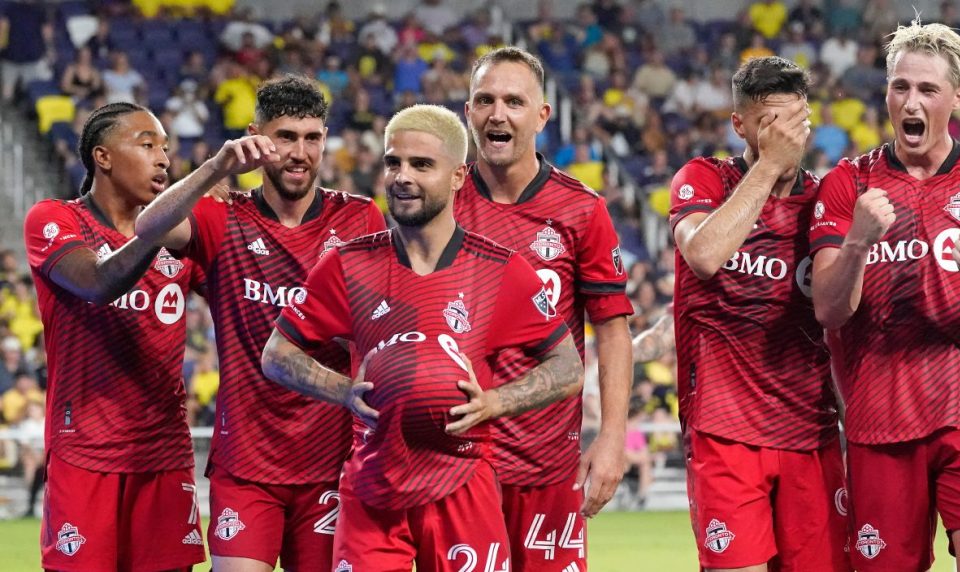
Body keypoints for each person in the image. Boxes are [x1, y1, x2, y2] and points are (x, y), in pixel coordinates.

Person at [260, 103, 584, 571]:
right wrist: (342, 390)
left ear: (457, 176)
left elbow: (568, 366)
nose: (402, 176)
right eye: (394, 163)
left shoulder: (501, 268)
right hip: (373, 487)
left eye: (421, 165)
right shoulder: (346, 265)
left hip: (463, 484)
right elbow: (276, 354)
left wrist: (496, 402)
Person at [135, 75, 385, 572]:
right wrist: (215, 167)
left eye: (312, 137)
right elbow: (147, 227)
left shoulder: (358, 219)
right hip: (246, 464)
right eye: (286, 137)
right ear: (256, 137)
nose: (300, 152)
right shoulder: (223, 214)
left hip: (330, 465)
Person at [811, 21, 960, 571]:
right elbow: (828, 310)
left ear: (956, 96)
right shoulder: (847, 185)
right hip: (880, 422)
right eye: (900, 87)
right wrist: (859, 241)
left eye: (927, 90)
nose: (911, 101)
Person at [455, 46, 634, 571]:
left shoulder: (581, 209)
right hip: (458, 464)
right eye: (484, 100)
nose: (497, 114)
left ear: (542, 115)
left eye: (514, 101)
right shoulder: (442, 200)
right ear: (468, 113)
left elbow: (613, 330)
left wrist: (613, 437)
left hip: (547, 468)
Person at [669, 57, 849, 571]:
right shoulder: (703, 177)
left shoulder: (827, 201)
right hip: (724, 429)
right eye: (772, 124)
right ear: (740, 125)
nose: (788, 137)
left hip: (809, 433)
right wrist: (767, 167)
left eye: (796, 122)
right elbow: (703, 255)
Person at [23, 102, 205, 570]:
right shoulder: (56, 219)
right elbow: (99, 282)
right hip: (84, 451)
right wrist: (165, 219)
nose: (163, 158)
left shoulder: (184, 239)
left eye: (166, 148)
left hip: (163, 453)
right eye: (147, 145)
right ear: (102, 157)